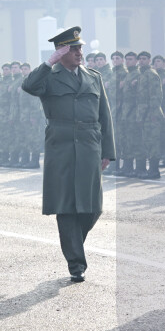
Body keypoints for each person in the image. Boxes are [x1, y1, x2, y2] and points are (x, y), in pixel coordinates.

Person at [22, 27, 115, 282]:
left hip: (89, 146)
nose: (79, 53)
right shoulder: (49, 77)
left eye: (79, 48)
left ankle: (73, 244)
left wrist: (108, 151)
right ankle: (76, 263)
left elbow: (104, 116)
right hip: (61, 146)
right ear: (61, 51)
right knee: (66, 207)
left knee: (93, 207)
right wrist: (49, 61)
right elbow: (28, 86)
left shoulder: (93, 77)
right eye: (73, 49)